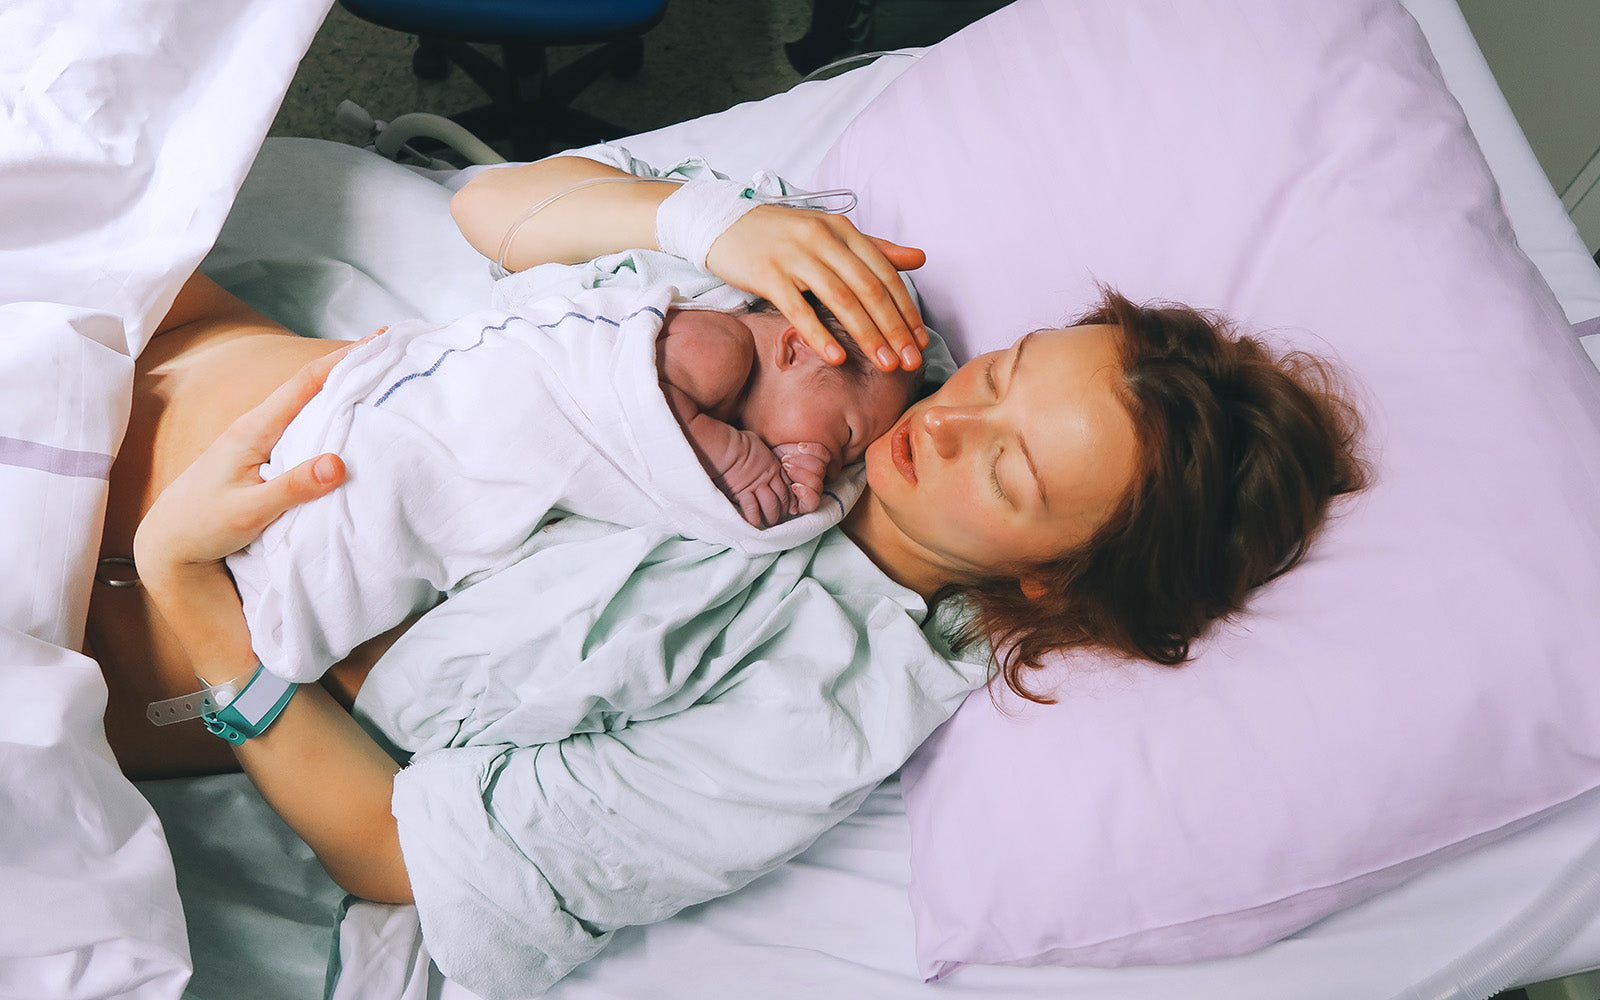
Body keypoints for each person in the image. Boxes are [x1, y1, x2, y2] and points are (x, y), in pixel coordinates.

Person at [91, 154, 1365, 995]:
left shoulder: (806, 710)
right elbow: (489, 210)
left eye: (1012, 476)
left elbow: (403, 856)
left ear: (1045, 585)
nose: (948, 420)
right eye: (1004, 373)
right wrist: (709, 223)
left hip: (96, 616)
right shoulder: (848, 333)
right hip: (148, 330)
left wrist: (195, 602)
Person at [223, 277, 916, 686]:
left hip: (473, 456)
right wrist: (730, 456)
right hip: (429, 430)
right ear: (793, 346)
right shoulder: (719, 344)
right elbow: (633, 392)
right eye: (849, 436)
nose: (838, 462)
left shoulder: (753, 394)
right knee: (364, 521)